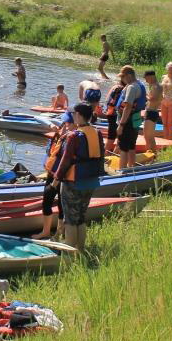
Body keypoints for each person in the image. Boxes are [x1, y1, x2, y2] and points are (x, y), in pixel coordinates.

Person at [51, 102, 105, 253]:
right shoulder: (97, 132)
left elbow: (66, 160)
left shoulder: (73, 135)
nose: (73, 116)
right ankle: (80, 251)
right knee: (81, 217)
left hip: (73, 181)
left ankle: (68, 253)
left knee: (70, 219)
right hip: (91, 181)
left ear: (79, 115)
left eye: (74, 113)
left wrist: (55, 181)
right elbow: (101, 156)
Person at [34, 110, 73, 240]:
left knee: (61, 204)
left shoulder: (71, 139)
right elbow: (40, 119)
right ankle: (46, 231)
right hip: (52, 174)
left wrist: (57, 179)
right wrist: (53, 127)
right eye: (64, 123)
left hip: (63, 176)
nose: (64, 125)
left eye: (67, 123)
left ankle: (59, 233)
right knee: (47, 201)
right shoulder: (60, 135)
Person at [116, 66, 146, 169]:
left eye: (123, 77)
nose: (122, 80)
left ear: (129, 75)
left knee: (123, 147)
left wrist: (121, 125)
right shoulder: (140, 84)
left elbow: (127, 108)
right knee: (132, 145)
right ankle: (132, 167)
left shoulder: (132, 87)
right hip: (136, 119)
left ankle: (122, 171)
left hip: (127, 121)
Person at [142, 70, 163, 153]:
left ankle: (150, 154)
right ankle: (153, 155)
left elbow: (152, 99)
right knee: (150, 136)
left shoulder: (156, 87)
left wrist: (144, 94)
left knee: (147, 137)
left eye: (146, 79)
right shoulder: (157, 86)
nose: (146, 81)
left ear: (151, 77)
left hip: (151, 112)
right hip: (152, 112)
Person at [101, 80, 124, 154]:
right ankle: (108, 155)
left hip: (110, 113)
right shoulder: (122, 89)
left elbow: (108, 101)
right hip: (115, 115)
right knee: (118, 137)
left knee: (111, 136)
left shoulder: (115, 87)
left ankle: (106, 154)